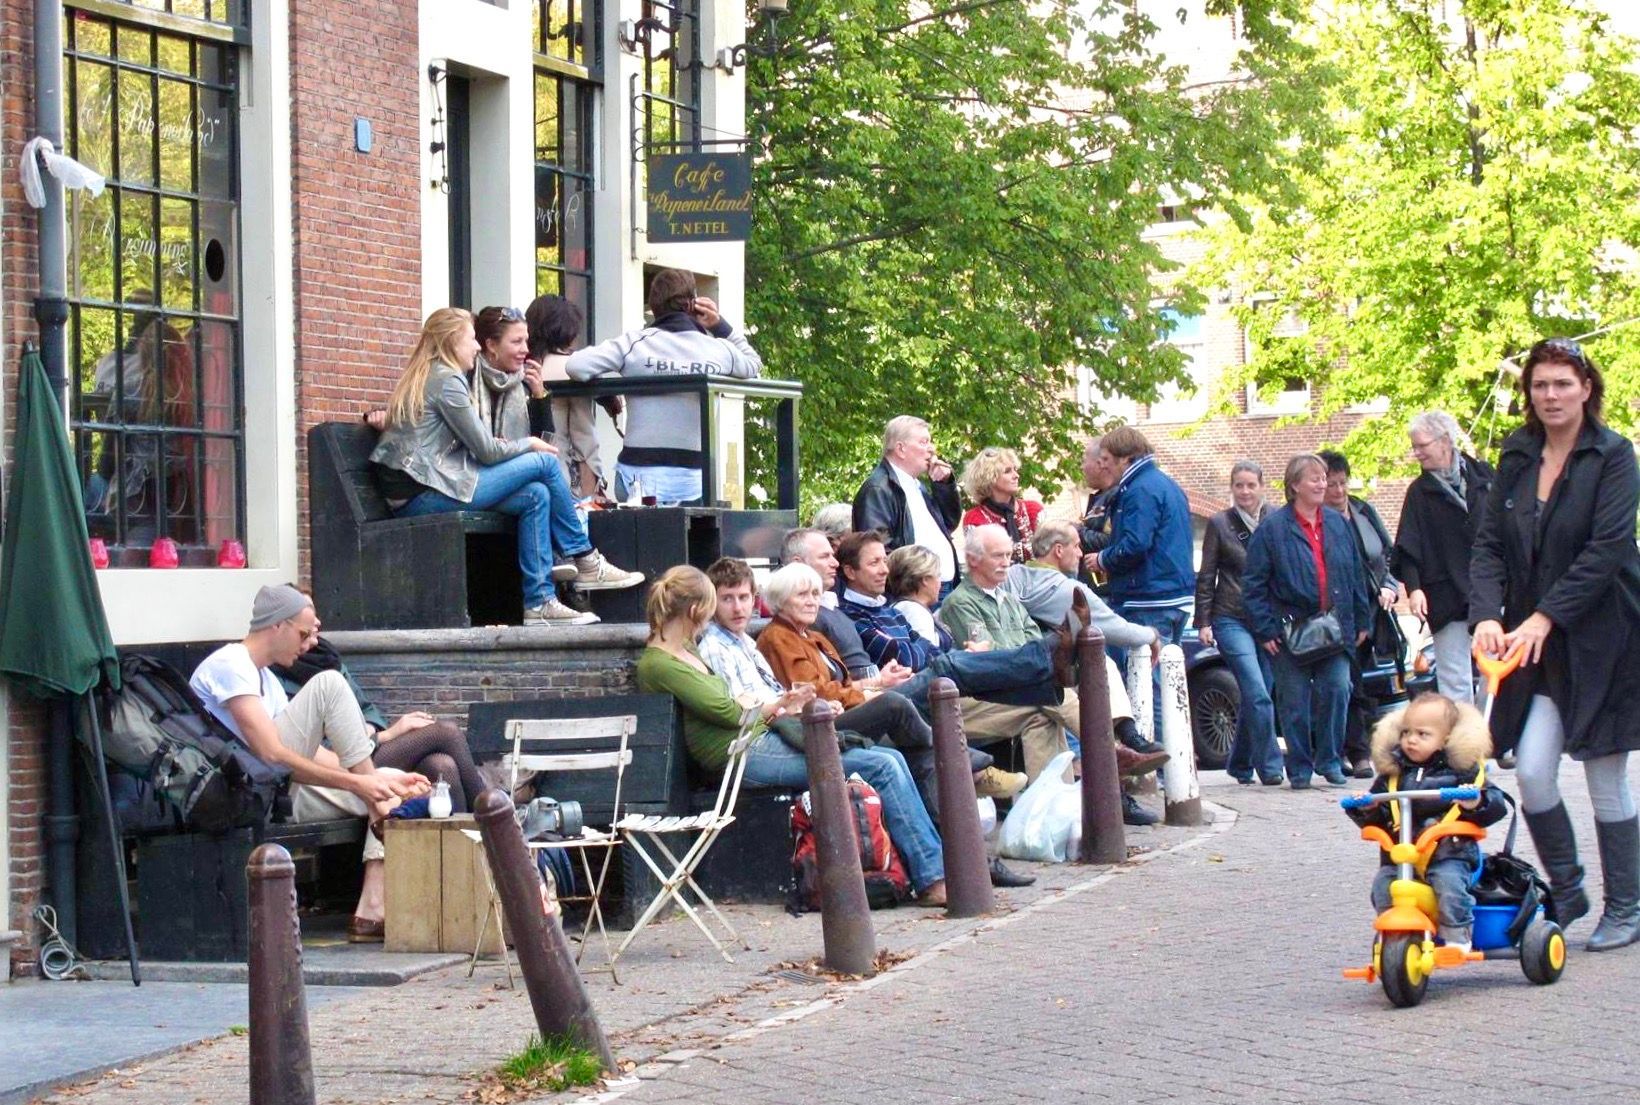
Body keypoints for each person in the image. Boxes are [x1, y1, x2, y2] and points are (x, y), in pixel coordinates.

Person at [695, 558, 1033, 890]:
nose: (738, 607)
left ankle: (962, 860)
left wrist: (872, 685)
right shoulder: (761, 640)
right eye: (728, 599)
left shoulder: (777, 639)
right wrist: (862, 693)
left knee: (917, 756)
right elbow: (773, 702)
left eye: (743, 598)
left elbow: (831, 684)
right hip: (791, 731)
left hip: (809, 722)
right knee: (919, 692)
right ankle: (958, 767)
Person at [638, 565, 950, 904]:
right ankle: (932, 878)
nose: (723, 611)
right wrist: (770, 704)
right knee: (881, 765)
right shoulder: (662, 662)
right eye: (718, 601)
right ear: (697, 609)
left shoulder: (687, 650)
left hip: (759, 736)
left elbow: (736, 703)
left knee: (890, 757)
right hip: (740, 752)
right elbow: (729, 710)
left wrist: (756, 704)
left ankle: (937, 867)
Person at [1471, 337, 1640, 951]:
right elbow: (1488, 544)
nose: (1551, 395)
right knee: (1535, 773)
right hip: (1533, 645)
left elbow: (1608, 551)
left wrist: (1545, 615)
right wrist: (1487, 614)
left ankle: (1628, 905)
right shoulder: (1516, 457)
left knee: (1604, 777)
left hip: (1605, 640)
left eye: (1563, 384)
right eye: (1540, 385)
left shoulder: (1615, 456)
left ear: (1586, 388)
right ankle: (1568, 892)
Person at [370, 307, 642, 626]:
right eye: (471, 339)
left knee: (536, 495)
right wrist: (529, 443)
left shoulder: (437, 374)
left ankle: (539, 602)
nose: (474, 346)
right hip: (419, 496)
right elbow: (486, 450)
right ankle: (584, 558)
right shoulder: (448, 381)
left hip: (432, 484)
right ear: (451, 342)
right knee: (543, 461)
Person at [189, 586, 429, 942]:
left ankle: (371, 911)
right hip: (241, 793)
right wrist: (361, 783)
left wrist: (376, 779)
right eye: (303, 634)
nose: (309, 644)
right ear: (277, 627)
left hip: (278, 790)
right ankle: (378, 802)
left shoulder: (266, 679)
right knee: (329, 685)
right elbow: (270, 753)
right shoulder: (231, 665)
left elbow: (312, 756)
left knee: (397, 791)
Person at [940, 525, 1165, 826]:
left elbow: (1032, 647)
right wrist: (1032, 658)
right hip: (982, 696)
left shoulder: (1010, 600)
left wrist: (1033, 658)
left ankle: (1048, 817)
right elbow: (995, 662)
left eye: (1008, 555)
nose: (1006, 562)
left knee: (1044, 713)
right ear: (973, 559)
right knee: (1052, 699)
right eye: (997, 556)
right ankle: (1111, 752)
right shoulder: (960, 602)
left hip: (1018, 690)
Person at [756, 562, 1020, 815]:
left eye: (815, 593)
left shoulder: (814, 637)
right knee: (897, 701)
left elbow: (842, 685)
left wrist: (873, 685)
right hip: (821, 723)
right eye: (802, 595)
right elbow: (814, 694)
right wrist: (869, 694)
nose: (812, 600)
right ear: (781, 599)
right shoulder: (779, 637)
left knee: (920, 757)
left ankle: (944, 847)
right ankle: (961, 757)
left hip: (847, 708)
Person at [837, 530, 1064, 786]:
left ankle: (1055, 809)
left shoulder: (887, 609)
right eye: (874, 563)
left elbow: (920, 650)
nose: (884, 570)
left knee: (1046, 706)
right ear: (850, 571)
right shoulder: (853, 615)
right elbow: (908, 655)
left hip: (930, 693)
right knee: (948, 665)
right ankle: (1050, 661)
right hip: (912, 703)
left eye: (884, 561)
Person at [565, 269, 761, 505]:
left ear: (654, 308)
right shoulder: (718, 349)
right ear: (692, 305)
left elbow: (576, 366)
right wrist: (721, 326)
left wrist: (605, 393)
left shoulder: (633, 343)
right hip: (696, 484)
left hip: (635, 480)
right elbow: (754, 366)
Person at [1242, 454, 1372, 790]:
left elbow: (1356, 573)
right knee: (1294, 701)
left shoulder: (1337, 523)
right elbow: (1254, 583)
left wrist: (1361, 618)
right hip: (1291, 629)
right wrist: (1265, 628)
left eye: (1323, 477)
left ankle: (1329, 758)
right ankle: (1299, 766)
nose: (1321, 484)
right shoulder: (1272, 529)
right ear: (1295, 485)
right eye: (1314, 478)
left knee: (1338, 688)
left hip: (1335, 625)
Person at [1345, 693, 1507, 949]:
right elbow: (1379, 819)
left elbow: (1496, 805)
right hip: (1402, 857)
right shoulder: (1393, 775)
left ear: (1445, 740)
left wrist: (1475, 802)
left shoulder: (1463, 773)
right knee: (1383, 886)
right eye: (1406, 732)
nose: (1411, 740)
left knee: (1449, 885)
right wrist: (1368, 807)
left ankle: (1457, 934)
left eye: (1422, 734)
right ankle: (1397, 934)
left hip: (1449, 853)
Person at [271, 634, 486, 814]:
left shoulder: (328, 659)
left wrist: (370, 727)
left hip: (367, 749)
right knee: (445, 732)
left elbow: (367, 709)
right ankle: (494, 817)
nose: (315, 631)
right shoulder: (278, 678)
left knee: (441, 765)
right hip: (343, 763)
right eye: (305, 628)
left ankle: (470, 846)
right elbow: (314, 748)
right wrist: (382, 736)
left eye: (315, 623)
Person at [1082, 427, 1195, 733]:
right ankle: (1173, 761)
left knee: (1147, 681)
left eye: (1108, 458)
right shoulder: (1166, 485)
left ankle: (1154, 765)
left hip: (1148, 596)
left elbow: (1135, 543)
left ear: (1125, 458)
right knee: (1167, 682)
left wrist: (1102, 559)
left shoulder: (1138, 489)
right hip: (1174, 594)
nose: (1104, 465)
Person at [1393, 410, 1493, 706]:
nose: (1416, 453)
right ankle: (1464, 748)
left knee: (1496, 671)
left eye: (1421, 445)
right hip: (1445, 594)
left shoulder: (1485, 477)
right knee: (1455, 678)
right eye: (1414, 446)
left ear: (1445, 441)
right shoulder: (1418, 493)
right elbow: (1408, 546)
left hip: (1488, 590)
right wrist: (1415, 589)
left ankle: (1493, 739)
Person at [1194, 462, 1281, 786]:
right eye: (1239, 486)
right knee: (1257, 691)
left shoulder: (1276, 520)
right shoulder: (1220, 523)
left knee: (1258, 691)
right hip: (1230, 616)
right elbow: (1207, 573)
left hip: (1267, 620)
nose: (1244, 492)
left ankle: (1240, 764)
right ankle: (1271, 767)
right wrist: (1203, 620)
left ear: (1261, 486)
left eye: (1250, 485)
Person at [1319, 449, 1403, 780]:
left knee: (1363, 682)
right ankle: (1351, 750)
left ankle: (1358, 748)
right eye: (1331, 485)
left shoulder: (1363, 511)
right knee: (1345, 682)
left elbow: (1388, 553)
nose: (1339, 492)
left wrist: (1389, 585)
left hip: (1372, 608)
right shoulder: (1319, 522)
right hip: (1337, 614)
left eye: (1342, 483)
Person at [852, 416, 961, 599]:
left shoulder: (915, 485)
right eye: (923, 442)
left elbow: (949, 522)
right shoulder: (879, 488)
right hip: (914, 592)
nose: (931, 449)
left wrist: (944, 485)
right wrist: (911, 586)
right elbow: (877, 548)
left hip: (940, 587)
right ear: (901, 449)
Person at [526, 294, 617, 499]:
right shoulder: (571, 370)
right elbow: (583, 438)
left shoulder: (522, 368)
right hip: (563, 479)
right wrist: (592, 493)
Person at [960, 447, 1041, 564]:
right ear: (989, 478)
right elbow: (982, 563)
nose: (1016, 475)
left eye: (1015, 469)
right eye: (1008, 471)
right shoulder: (975, 518)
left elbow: (1048, 554)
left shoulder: (1033, 510)